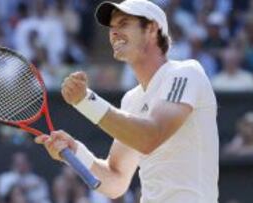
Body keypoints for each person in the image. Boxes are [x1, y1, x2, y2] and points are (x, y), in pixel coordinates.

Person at [35, 0, 219, 202]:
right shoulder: (132, 99)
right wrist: (75, 152)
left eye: (123, 24)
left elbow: (150, 137)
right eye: (111, 28)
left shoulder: (186, 73)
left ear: (151, 28)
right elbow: (116, 182)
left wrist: (86, 101)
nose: (113, 33)